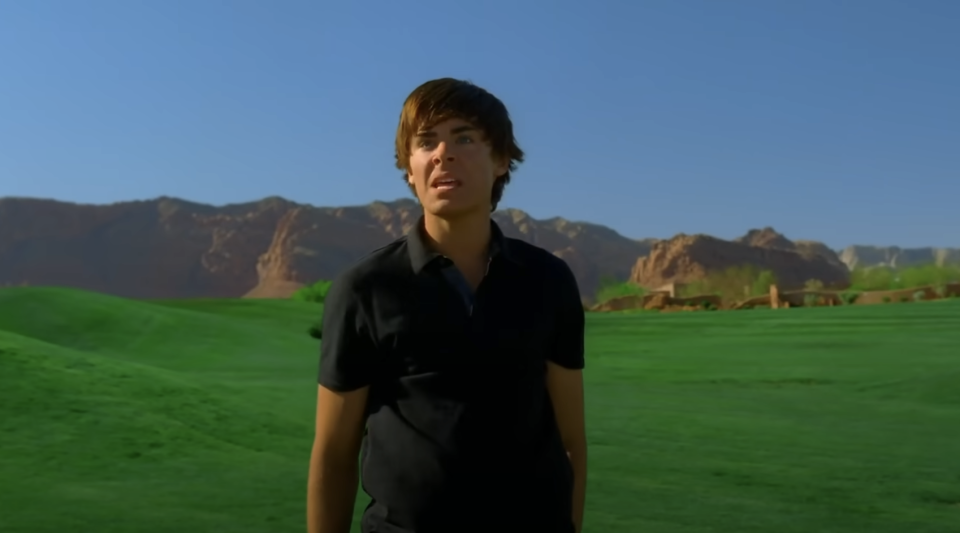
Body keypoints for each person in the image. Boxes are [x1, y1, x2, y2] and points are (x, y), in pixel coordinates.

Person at [307, 78, 587, 533]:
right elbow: (334, 454)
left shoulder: (549, 280)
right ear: (409, 167)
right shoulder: (364, 287)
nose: (443, 153)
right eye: (426, 142)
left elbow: (572, 441)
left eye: (464, 137)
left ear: (500, 161)